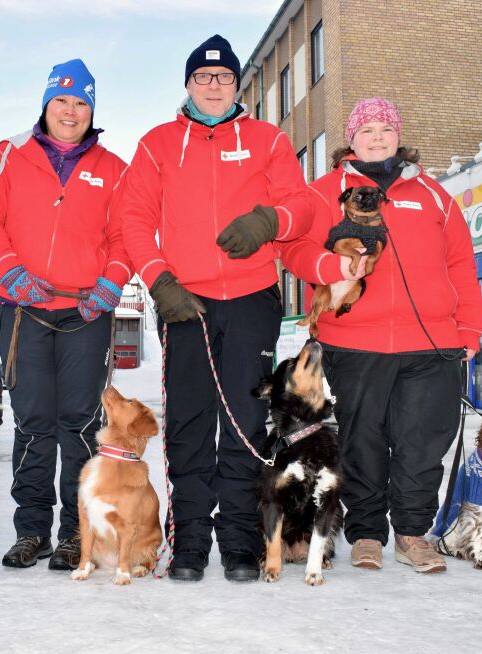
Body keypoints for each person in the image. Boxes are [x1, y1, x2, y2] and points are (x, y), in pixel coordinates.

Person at [115, 35, 319, 583]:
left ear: (236, 85)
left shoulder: (268, 140)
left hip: (252, 299)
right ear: (187, 84)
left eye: (224, 77)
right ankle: (190, 545)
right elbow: (133, 218)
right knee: (188, 423)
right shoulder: (158, 144)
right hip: (186, 303)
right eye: (203, 78)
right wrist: (159, 280)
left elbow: (301, 204)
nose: (213, 85)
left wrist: (269, 222)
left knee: (247, 422)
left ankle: (239, 543)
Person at [280, 96, 482, 573]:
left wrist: (470, 327)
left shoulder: (434, 194)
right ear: (350, 139)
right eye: (366, 129)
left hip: (432, 342)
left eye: (385, 129)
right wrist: (328, 266)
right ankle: (368, 533)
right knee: (363, 439)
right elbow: (292, 250)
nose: (376, 137)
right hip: (354, 341)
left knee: (421, 441)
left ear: (399, 136)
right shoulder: (324, 191)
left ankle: (413, 534)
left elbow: (460, 263)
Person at [0, 58, 130, 571]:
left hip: (86, 311)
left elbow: (126, 234)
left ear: (91, 110)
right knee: (35, 422)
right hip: (25, 309)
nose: (70, 110)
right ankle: (31, 530)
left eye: (81, 102)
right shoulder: (8, 155)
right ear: (45, 104)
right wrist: (8, 269)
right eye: (62, 100)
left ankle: (74, 532)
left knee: (80, 424)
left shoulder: (113, 168)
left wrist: (111, 281)